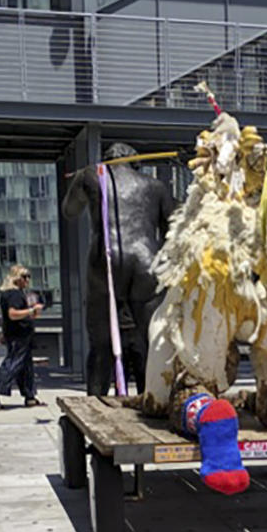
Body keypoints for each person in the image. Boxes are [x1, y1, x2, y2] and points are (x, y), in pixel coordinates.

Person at [62, 143, 174, 395]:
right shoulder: (155, 186)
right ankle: (151, 400)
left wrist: (81, 183)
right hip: (147, 260)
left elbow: (69, 211)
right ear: (135, 161)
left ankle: (95, 403)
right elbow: (172, 230)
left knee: (101, 344)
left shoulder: (91, 175)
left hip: (106, 261)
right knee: (149, 341)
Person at [0, 265, 44, 409]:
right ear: (17, 278)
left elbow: (5, 317)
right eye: (25, 277)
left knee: (26, 366)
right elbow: (12, 314)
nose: (28, 280)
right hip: (20, 334)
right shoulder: (15, 294)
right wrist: (31, 310)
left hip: (16, 334)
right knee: (13, 363)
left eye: (29, 276)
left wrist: (3, 333)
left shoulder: (8, 294)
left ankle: (30, 396)